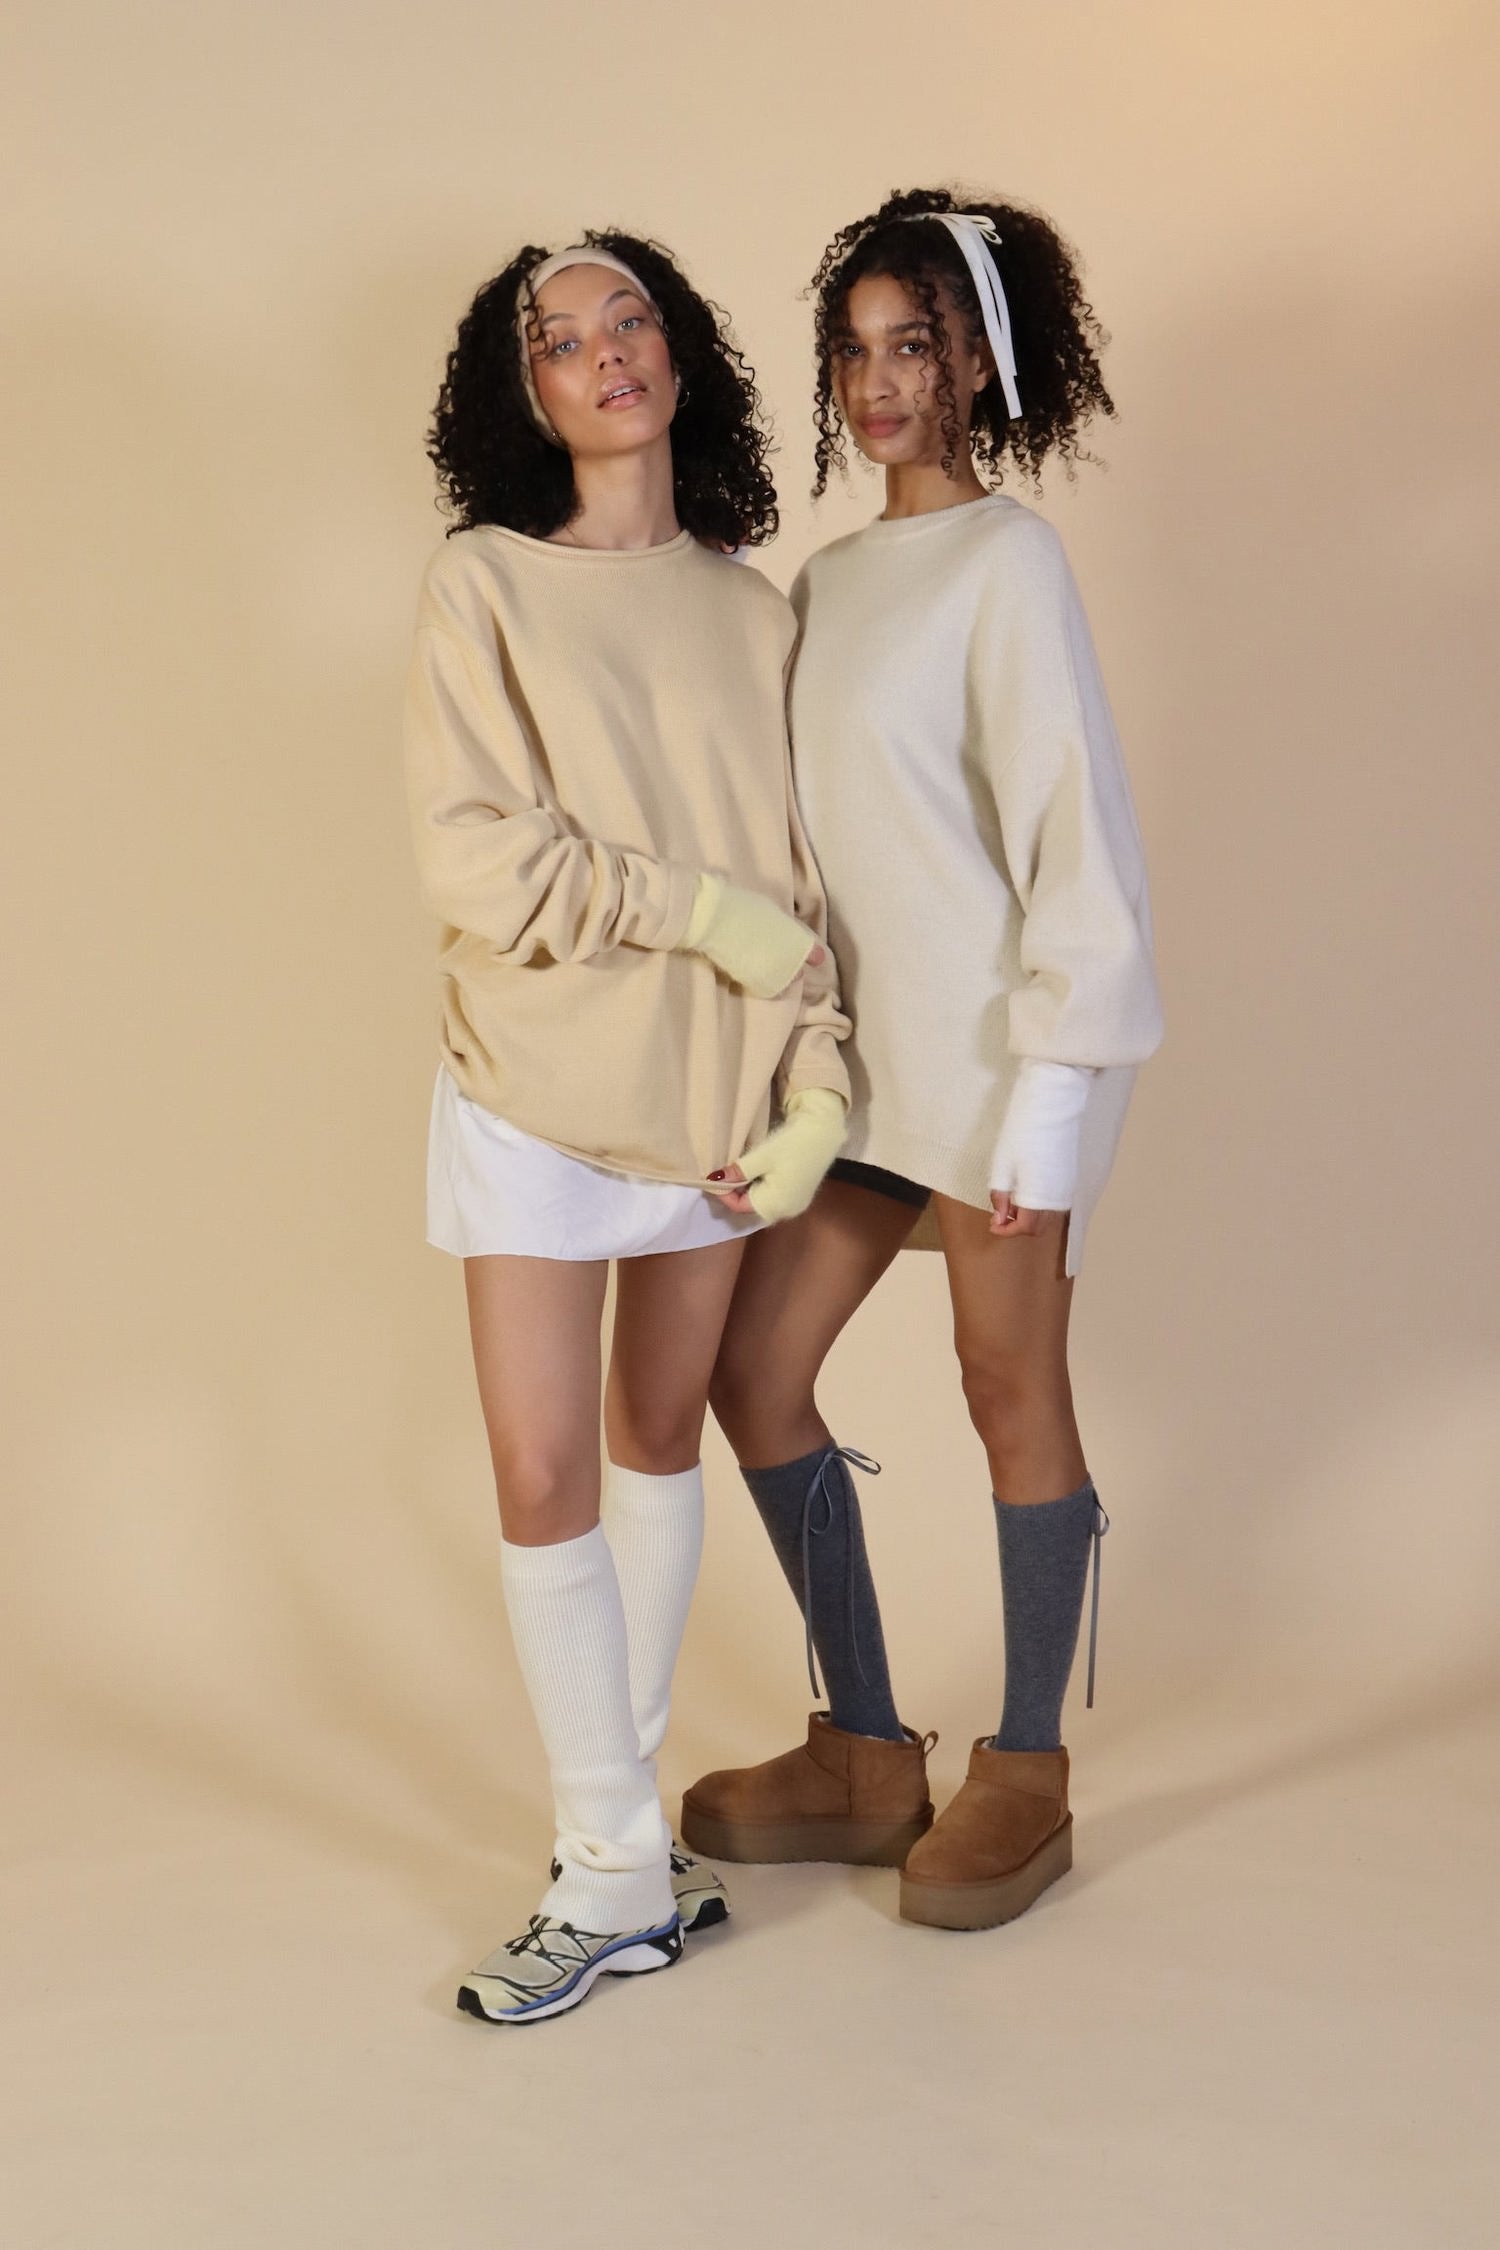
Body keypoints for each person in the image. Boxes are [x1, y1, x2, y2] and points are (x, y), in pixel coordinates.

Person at [683, 186, 1164, 1932]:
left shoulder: (1009, 563)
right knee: (755, 1369)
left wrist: (1049, 1095)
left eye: (918, 346)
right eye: (856, 349)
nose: (882, 382)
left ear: (981, 363)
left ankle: (1026, 1765)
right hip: (869, 1076)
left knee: (1005, 1383)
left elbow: (1071, 834)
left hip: (1002, 1060)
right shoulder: (827, 581)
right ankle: (868, 1751)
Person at [405, 230, 852, 2020]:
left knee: (659, 1434)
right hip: (530, 1085)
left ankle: (626, 1861)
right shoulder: (483, 585)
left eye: (630, 318)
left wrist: (821, 1080)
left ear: (678, 355)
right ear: (522, 393)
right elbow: (477, 857)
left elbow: (802, 889)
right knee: (544, 1470)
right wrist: (692, 910)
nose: (605, 351)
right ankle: (609, 1868)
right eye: (559, 338)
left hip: (713, 1104)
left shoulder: (756, 615)